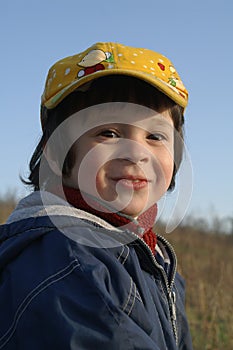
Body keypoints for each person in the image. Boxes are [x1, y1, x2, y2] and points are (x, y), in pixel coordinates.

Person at [0, 42, 193, 349]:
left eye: (155, 136)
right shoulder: (71, 263)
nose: (136, 153)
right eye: (109, 133)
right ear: (56, 153)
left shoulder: (151, 256)